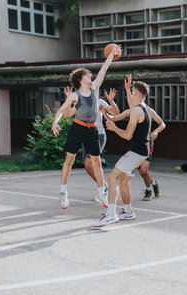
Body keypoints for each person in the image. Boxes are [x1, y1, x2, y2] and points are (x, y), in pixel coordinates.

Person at [51, 44, 121, 210]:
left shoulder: (95, 89)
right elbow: (62, 111)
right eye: (88, 75)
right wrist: (55, 122)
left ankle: (100, 192)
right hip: (78, 128)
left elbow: (104, 69)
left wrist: (111, 54)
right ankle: (63, 192)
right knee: (70, 159)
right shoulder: (75, 95)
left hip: (92, 129)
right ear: (81, 79)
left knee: (96, 161)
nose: (91, 76)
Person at [92, 80, 153, 227]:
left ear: (136, 93)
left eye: (132, 92)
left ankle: (110, 214)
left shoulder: (137, 111)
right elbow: (114, 118)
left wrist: (114, 129)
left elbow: (127, 136)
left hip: (136, 152)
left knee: (112, 177)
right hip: (142, 152)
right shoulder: (143, 109)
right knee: (124, 180)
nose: (131, 94)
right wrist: (105, 113)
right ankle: (128, 211)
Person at [60, 86, 120, 204]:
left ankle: (102, 190)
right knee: (87, 167)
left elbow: (116, 113)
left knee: (90, 163)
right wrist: (68, 101)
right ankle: (103, 186)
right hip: (85, 134)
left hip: (99, 135)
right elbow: (67, 114)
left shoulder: (100, 101)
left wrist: (111, 101)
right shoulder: (81, 103)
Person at [123, 74, 166, 201]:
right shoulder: (136, 109)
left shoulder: (149, 110)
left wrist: (156, 132)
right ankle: (153, 184)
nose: (132, 93)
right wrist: (127, 88)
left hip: (148, 142)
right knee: (142, 171)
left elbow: (162, 124)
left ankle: (148, 190)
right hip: (138, 142)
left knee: (143, 169)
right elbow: (131, 103)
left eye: (133, 92)